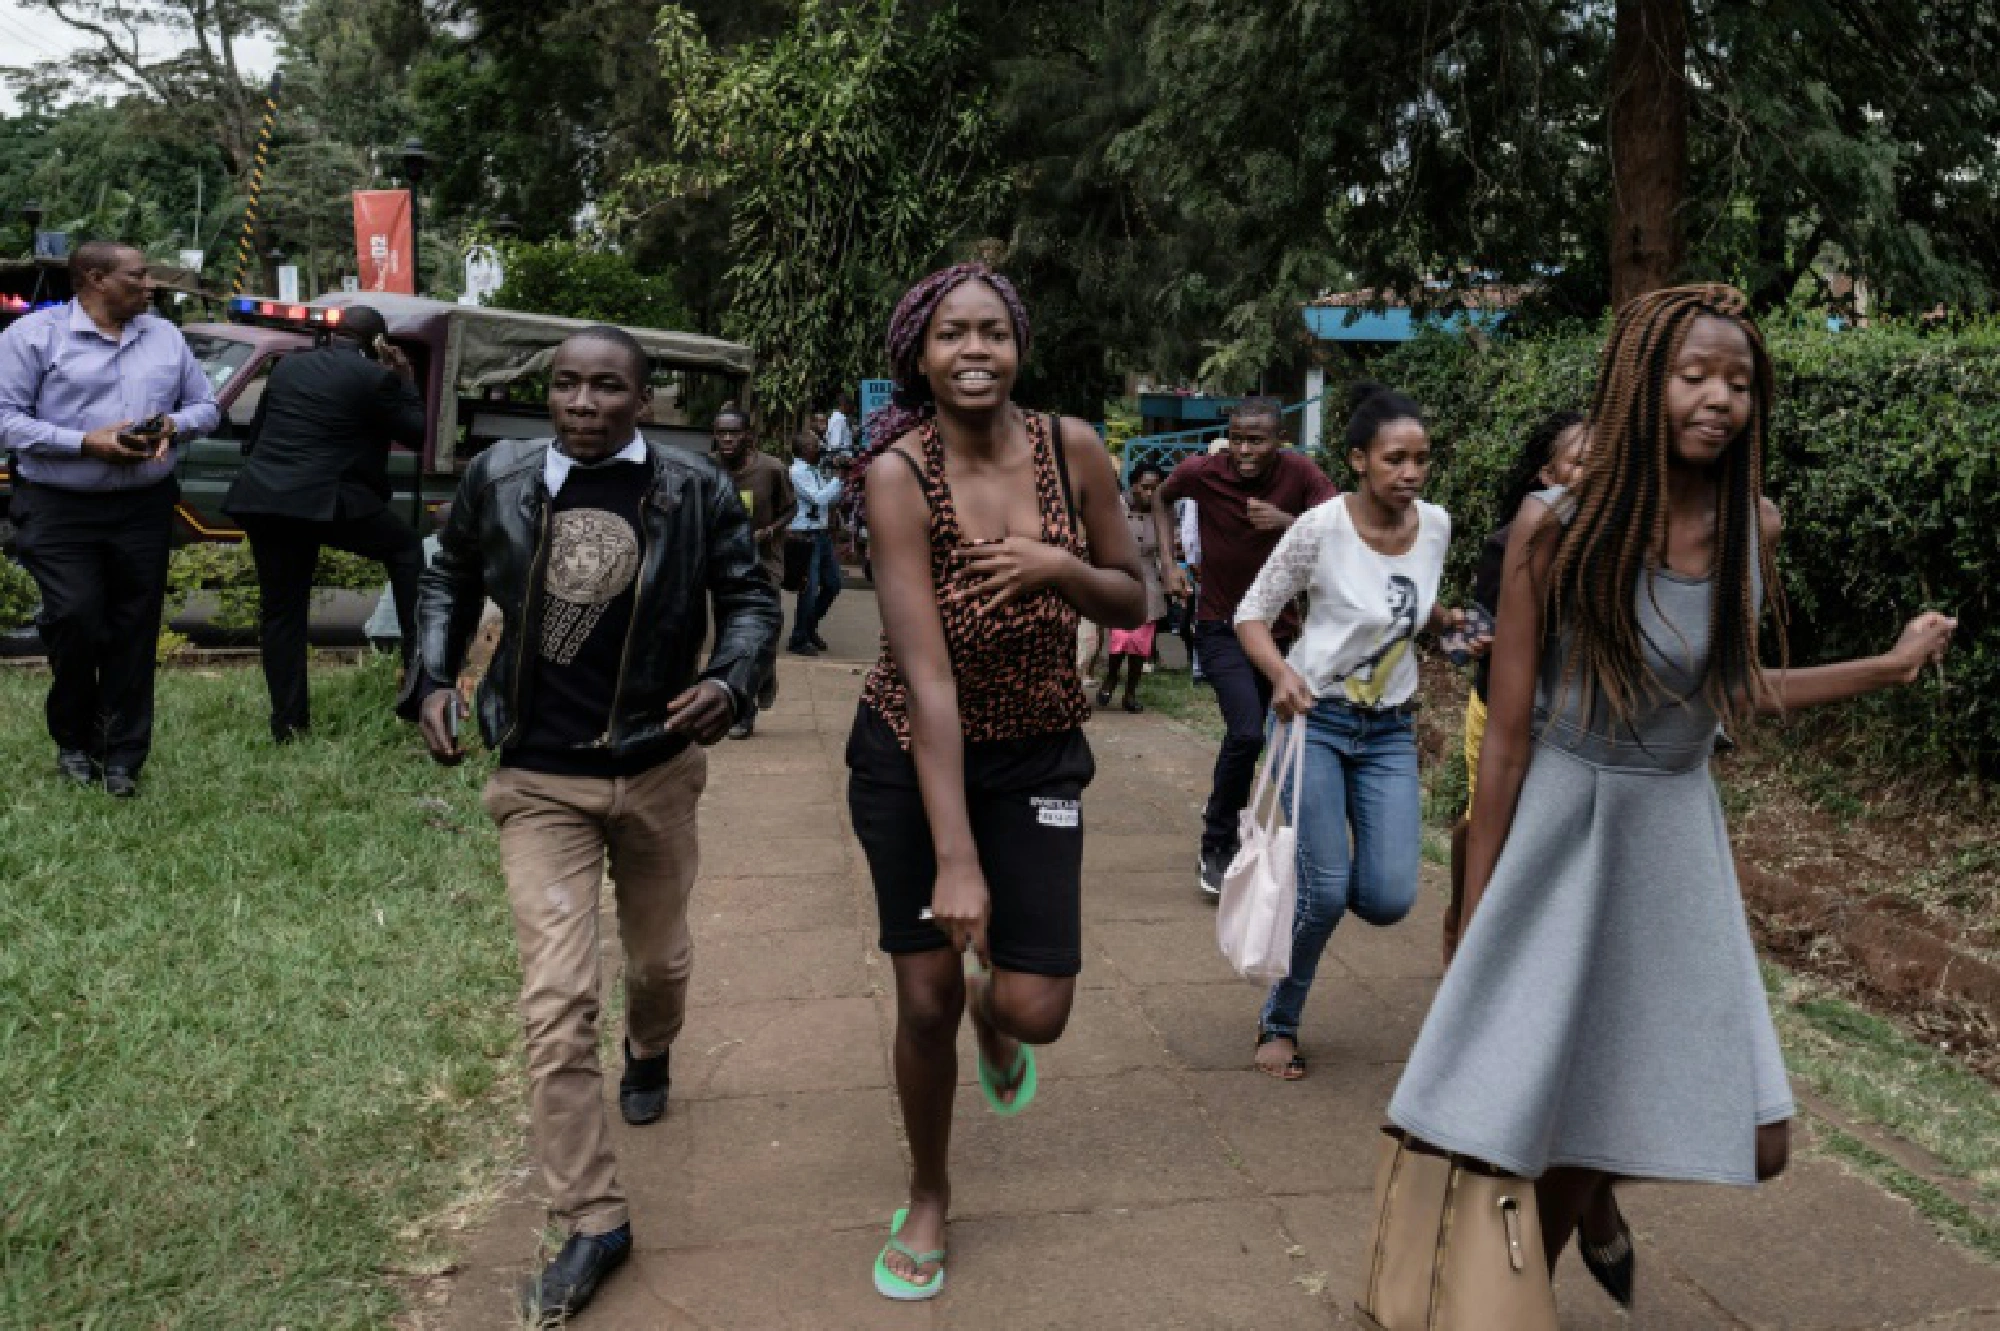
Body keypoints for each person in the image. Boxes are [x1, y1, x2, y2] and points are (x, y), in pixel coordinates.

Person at [1384, 285, 1956, 1312]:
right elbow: (1505, 734)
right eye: (1692, 375)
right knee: (1525, 1091)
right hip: (1563, 807)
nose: (1715, 398)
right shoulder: (1551, 525)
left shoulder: (1750, 525)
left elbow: (1729, 689)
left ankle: (1591, 1188)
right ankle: (1518, 1291)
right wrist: (1475, 901)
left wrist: (1886, 667)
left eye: (1736, 382)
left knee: (1757, 1134)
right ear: (1641, 383)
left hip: (1670, 820)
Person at [401, 326, 781, 1324]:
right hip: (539, 778)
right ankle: (593, 1216)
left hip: (655, 770)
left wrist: (728, 677)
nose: (580, 402)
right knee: (554, 1004)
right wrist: (434, 675)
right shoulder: (503, 475)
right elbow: (450, 571)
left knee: (656, 965)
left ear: (643, 401)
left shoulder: (694, 490)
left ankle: (650, 1051)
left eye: (605, 386)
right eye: (565, 384)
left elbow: (748, 598)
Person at [847, 264, 1145, 1300]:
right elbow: (925, 676)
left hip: (1036, 748)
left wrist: (1054, 568)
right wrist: (955, 861)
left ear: (1017, 347)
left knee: (1037, 1008)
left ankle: (995, 1014)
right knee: (924, 996)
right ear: (916, 356)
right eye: (949, 336)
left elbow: (1127, 593)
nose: (973, 351)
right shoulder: (896, 474)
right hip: (909, 748)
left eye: (992, 334)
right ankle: (927, 1189)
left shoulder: (1073, 449)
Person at [1231, 384, 1469, 1080]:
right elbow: (1251, 613)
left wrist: (1450, 624)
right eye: (1396, 459)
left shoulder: (1438, 526)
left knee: (1389, 897)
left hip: (1391, 729)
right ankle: (1280, 1019)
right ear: (1359, 459)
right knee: (1328, 888)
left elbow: (1407, 607)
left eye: (1422, 459)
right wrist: (1279, 673)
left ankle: (1319, 890)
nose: (1412, 473)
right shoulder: (1319, 528)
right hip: (1314, 723)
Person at [0, 240, 219, 796]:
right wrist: (83, 443)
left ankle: (122, 757)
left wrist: (171, 425)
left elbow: (207, 408)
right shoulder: (31, 338)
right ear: (95, 280)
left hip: (141, 506)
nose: (151, 285)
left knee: (133, 628)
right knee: (75, 617)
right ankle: (74, 739)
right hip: (58, 505)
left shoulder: (166, 337)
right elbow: (5, 421)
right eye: (138, 276)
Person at [1155, 399, 1338, 896]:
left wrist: (1286, 521)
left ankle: (1293, 840)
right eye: (1236, 437)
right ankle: (1217, 843)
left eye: (1255, 439)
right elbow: (1161, 498)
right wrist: (1169, 564)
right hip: (1221, 627)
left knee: (1282, 739)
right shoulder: (1204, 471)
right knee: (1245, 733)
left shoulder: (1300, 474)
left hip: (1280, 635)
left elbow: (1340, 528)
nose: (1243, 449)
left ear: (1279, 439)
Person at [222, 304, 427, 741]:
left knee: (282, 612)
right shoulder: (377, 378)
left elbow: (256, 436)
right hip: (327, 499)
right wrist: (406, 381)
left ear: (333, 335)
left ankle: (288, 725)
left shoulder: (287, 369)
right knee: (406, 549)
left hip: (265, 497)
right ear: (377, 343)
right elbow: (416, 432)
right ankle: (418, 673)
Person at [1442, 409, 1587, 957]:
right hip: (1502, 706)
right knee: (1488, 824)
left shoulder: (1624, 548)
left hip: (1571, 715)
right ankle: (1461, 919)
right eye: (1580, 462)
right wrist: (1488, 640)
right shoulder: (1510, 542)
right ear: (1548, 476)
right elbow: (1476, 628)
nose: (1594, 473)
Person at [712, 404, 795, 738]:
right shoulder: (709, 469)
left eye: (734, 432)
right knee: (729, 637)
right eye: (721, 433)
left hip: (764, 566)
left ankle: (744, 714)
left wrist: (771, 530)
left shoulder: (772, 469)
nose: (728, 439)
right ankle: (762, 675)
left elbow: (791, 509)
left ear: (748, 436)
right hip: (724, 566)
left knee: (756, 634)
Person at [1097, 461, 1172, 713]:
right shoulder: (1115, 507)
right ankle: (1111, 678)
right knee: (1120, 638)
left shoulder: (1163, 512)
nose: (1150, 493)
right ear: (1134, 485)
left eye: (1155, 488)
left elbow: (1167, 550)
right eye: (1145, 487)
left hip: (1149, 583)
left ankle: (1130, 693)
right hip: (1120, 577)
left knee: (1140, 643)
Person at [786, 422, 844, 655]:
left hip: (821, 535)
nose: (819, 447)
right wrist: (838, 479)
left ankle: (809, 627)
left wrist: (839, 480)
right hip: (805, 536)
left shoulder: (814, 470)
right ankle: (799, 638)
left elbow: (829, 499)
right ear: (804, 449)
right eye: (814, 444)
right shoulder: (797, 472)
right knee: (808, 589)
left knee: (833, 584)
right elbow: (819, 498)